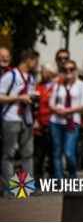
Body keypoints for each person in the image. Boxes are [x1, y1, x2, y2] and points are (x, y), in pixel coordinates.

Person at [1, 48, 39, 188]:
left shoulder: (32, 77)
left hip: (27, 119)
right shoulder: (10, 76)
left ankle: (27, 186)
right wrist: (19, 98)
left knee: (28, 154)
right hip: (11, 118)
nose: (36, 65)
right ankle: (8, 187)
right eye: (35, 62)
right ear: (29, 61)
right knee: (9, 154)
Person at [49, 59, 83, 180]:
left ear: (75, 70)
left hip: (72, 121)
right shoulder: (58, 86)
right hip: (56, 121)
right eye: (65, 69)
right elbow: (51, 103)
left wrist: (68, 110)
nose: (68, 71)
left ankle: (72, 176)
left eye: (71, 69)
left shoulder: (81, 85)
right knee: (56, 153)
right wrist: (58, 110)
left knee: (69, 153)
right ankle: (59, 179)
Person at [33, 61, 58, 178]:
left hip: (53, 123)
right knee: (38, 155)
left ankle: (53, 180)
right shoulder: (40, 85)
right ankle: (37, 181)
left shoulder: (59, 85)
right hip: (39, 124)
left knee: (53, 154)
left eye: (43, 71)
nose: (41, 73)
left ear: (50, 73)